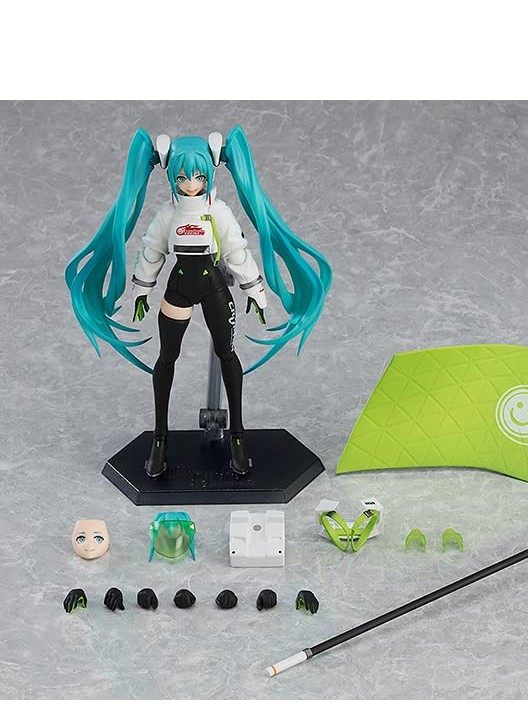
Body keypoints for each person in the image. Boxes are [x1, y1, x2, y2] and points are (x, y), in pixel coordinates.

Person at [65, 127, 331, 477]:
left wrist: (255, 289)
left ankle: (237, 435)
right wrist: (142, 288)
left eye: (199, 177)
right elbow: (151, 251)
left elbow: (236, 250)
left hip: (213, 285)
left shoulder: (218, 211)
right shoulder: (167, 214)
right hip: (178, 286)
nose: (191, 184)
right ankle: (160, 437)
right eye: (183, 177)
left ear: (209, 174)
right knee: (167, 357)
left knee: (227, 354)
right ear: (171, 176)